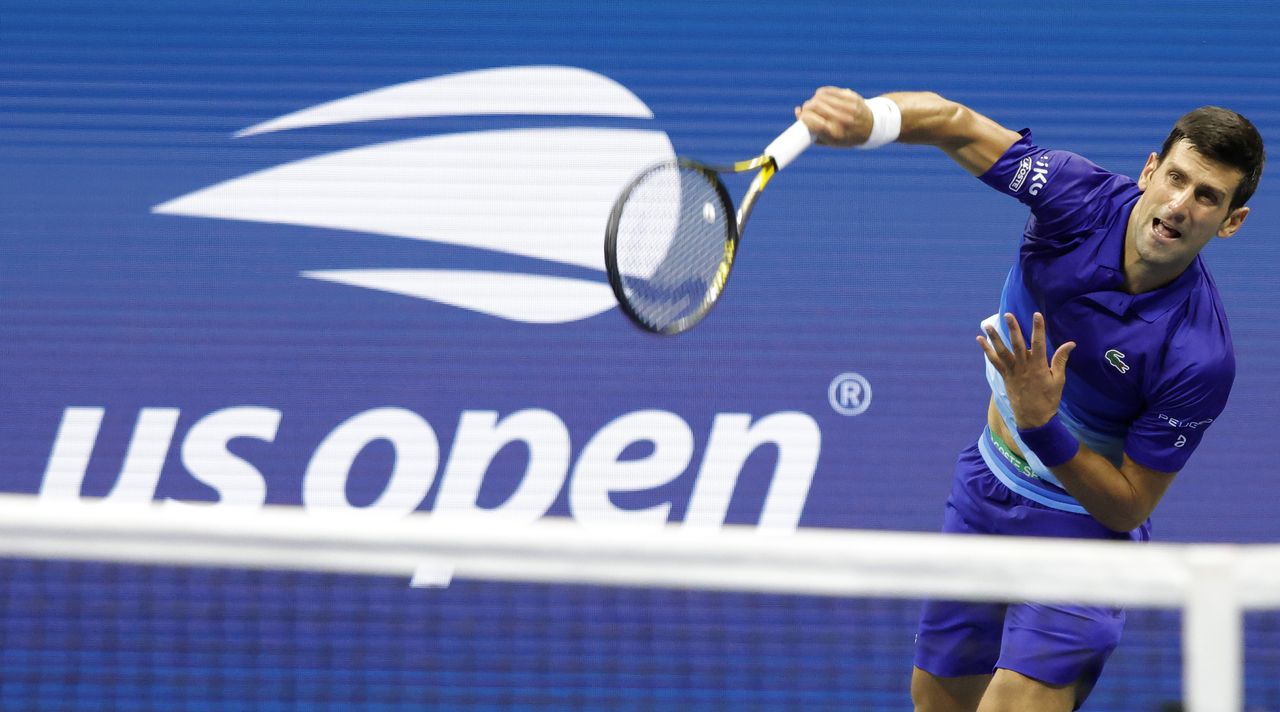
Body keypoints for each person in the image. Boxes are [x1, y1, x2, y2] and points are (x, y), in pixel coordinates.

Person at [793, 88, 1264, 711]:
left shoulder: (1199, 355)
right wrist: (872, 121)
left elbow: (1126, 507)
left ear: (1231, 221)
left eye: (1207, 196)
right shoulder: (1077, 197)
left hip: (1083, 538)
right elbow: (955, 125)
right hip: (985, 485)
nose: (1179, 205)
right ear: (1150, 170)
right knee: (936, 703)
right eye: (1176, 178)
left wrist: (1044, 425)